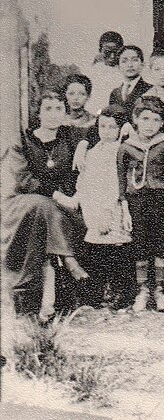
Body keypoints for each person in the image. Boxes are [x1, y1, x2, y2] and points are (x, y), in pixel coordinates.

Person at [1, 90, 89, 319]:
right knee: (42, 205)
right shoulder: (23, 140)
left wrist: (83, 144)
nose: (53, 114)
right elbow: (23, 179)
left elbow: (103, 131)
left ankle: (46, 302)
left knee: (48, 215)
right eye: (47, 109)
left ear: (65, 112)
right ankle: (69, 259)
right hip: (22, 203)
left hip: (57, 210)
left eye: (59, 108)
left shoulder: (71, 136)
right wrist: (57, 195)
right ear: (38, 113)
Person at [63, 105, 132, 309]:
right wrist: (79, 196)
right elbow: (85, 178)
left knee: (114, 250)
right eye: (103, 126)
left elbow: (115, 184)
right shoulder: (94, 151)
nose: (107, 131)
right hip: (92, 206)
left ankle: (120, 292)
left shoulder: (118, 152)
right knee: (96, 250)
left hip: (110, 208)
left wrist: (107, 212)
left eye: (112, 127)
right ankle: (98, 291)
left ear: (120, 129)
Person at [117, 96, 164, 313]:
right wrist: (124, 208)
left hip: (160, 200)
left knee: (160, 243)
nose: (150, 124)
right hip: (136, 202)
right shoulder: (126, 147)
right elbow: (120, 179)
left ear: (162, 122)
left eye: (155, 120)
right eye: (145, 118)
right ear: (135, 120)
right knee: (139, 244)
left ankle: (160, 290)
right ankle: (142, 290)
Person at [82, 31, 124, 116]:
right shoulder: (91, 72)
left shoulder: (126, 72)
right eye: (107, 52)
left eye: (116, 52)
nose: (112, 56)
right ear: (100, 50)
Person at [110, 45, 152, 120]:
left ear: (142, 64)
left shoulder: (150, 89)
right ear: (118, 66)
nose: (130, 65)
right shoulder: (115, 93)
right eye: (124, 61)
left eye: (134, 60)